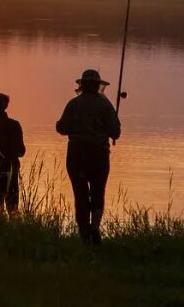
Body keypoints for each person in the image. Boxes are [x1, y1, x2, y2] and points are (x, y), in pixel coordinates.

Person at [55, 68, 121, 244]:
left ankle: (84, 234)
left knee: (80, 193)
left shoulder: (73, 104)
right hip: (99, 154)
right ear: (98, 85)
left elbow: (61, 128)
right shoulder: (106, 105)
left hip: (76, 154)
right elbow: (116, 132)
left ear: (82, 85)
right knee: (98, 191)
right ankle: (95, 227)